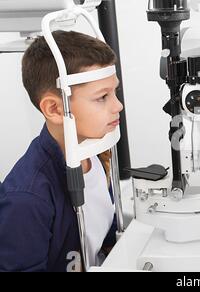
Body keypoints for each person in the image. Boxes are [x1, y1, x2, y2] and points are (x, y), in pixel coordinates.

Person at [0, 30, 123, 272]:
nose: (118, 105)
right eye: (102, 97)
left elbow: (103, 237)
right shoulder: (27, 199)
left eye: (115, 92)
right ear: (55, 109)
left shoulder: (96, 154)